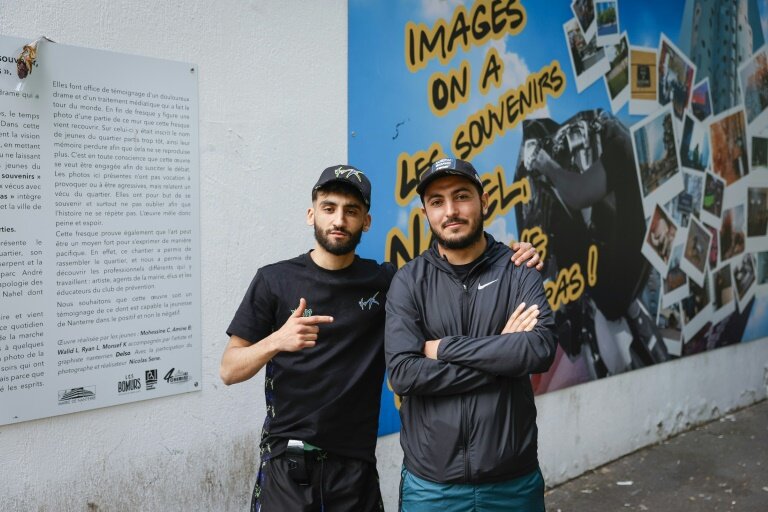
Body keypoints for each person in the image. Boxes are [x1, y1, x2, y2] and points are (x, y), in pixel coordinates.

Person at [220, 164, 543, 512]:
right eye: (329, 208)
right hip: (290, 461)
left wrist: (518, 256)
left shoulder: (386, 281)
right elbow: (228, 370)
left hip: (356, 465)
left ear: (367, 222)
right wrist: (275, 341)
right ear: (311, 213)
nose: (339, 220)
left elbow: (454, 270)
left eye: (351, 211)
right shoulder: (274, 281)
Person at [385, 158, 557, 511]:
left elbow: (539, 349)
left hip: (512, 482)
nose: (450, 211)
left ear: (485, 200)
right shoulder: (408, 281)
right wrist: (502, 353)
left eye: (461, 196)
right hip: (431, 486)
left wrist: (444, 348)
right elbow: (403, 374)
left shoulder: (518, 271)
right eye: (437, 201)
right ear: (425, 213)